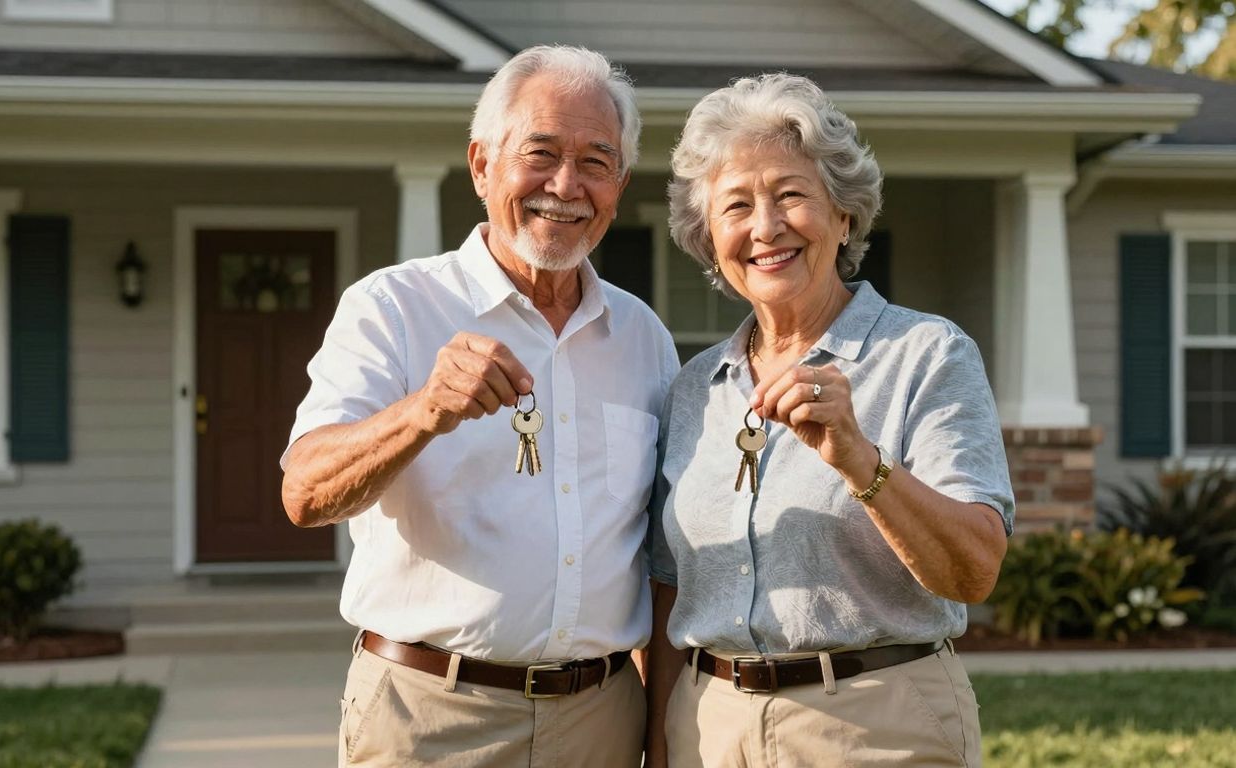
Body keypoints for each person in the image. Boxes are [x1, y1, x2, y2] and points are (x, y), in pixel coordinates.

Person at [281, 45, 679, 768]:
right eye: (541, 152)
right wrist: (425, 410)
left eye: (596, 161)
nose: (566, 185)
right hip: (430, 717)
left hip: (601, 719)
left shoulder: (644, 338)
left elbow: (656, 554)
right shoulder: (393, 308)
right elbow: (306, 492)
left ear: (619, 185)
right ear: (481, 165)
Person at [644, 73, 1014, 768]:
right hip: (707, 728)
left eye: (790, 194)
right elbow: (670, 591)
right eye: (736, 206)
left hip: (877, 726)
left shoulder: (926, 355)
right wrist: (660, 749)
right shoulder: (695, 388)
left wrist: (857, 457)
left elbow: (974, 571)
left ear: (844, 215)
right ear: (709, 239)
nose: (765, 227)